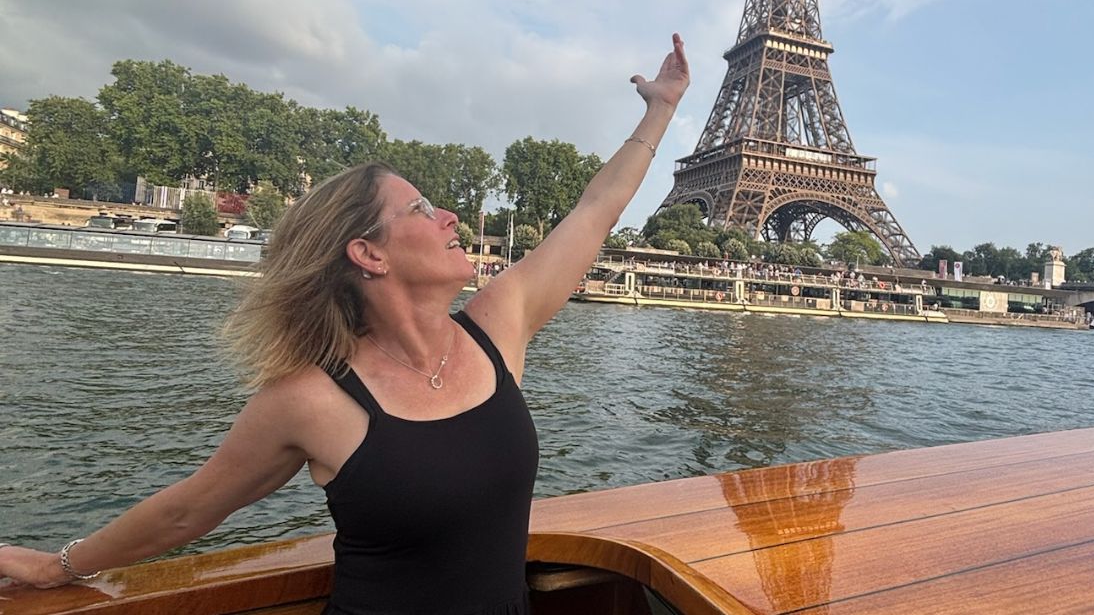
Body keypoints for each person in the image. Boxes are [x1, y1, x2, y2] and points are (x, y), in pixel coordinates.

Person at [0, 34, 690, 615]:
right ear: (368, 254)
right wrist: (59, 565)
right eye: (422, 211)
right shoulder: (309, 399)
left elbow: (595, 210)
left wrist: (659, 111)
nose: (449, 217)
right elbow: (188, 511)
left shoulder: (498, 325)